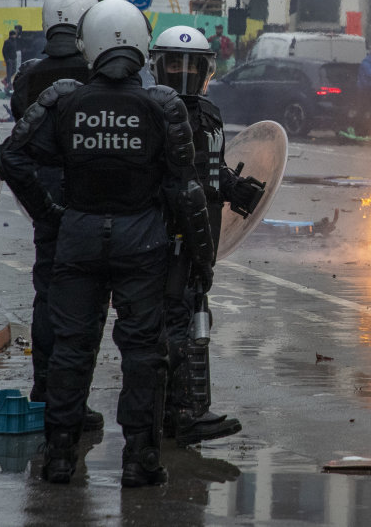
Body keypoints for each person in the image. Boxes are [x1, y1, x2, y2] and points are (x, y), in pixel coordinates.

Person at [0, 0, 215, 487]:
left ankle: (59, 459)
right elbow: (187, 189)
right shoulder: (164, 105)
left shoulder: (62, 98)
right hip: (143, 243)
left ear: (88, 44)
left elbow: (11, 157)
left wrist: (50, 216)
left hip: (78, 238)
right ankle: (140, 461)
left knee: (72, 351)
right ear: (141, 45)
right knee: (142, 353)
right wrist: (202, 259)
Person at [149, 26, 265, 447]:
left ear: (205, 69)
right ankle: (181, 414)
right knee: (175, 324)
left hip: (204, 235)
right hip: (169, 236)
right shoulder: (151, 111)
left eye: (191, 64)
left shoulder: (211, 114)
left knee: (195, 317)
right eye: (174, 62)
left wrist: (237, 190)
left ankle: (184, 410)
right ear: (158, 66)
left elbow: (208, 174)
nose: (183, 71)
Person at [8, 0, 103, 431]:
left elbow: (20, 132)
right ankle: (73, 402)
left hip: (42, 194)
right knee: (87, 302)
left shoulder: (28, 76)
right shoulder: (98, 74)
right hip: (90, 195)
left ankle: (44, 389)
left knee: (47, 295)